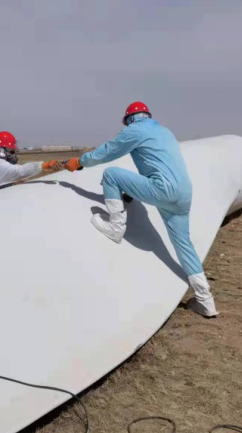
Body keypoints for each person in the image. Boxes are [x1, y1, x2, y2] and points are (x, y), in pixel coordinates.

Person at [64, 102, 218, 317]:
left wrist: (80, 162)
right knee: (184, 244)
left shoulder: (135, 130)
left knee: (111, 174)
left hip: (163, 189)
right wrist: (132, 192)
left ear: (130, 119)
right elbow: (156, 164)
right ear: (148, 115)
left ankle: (115, 228)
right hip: (183, 194)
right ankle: (206, 301)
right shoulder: (164, 131)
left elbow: (109, 151)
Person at [0, 131, 62, 199]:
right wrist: (44, 165)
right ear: (1, 151)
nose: (13, 154)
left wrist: (11, 184)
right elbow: (21, 171)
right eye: (11, 151)